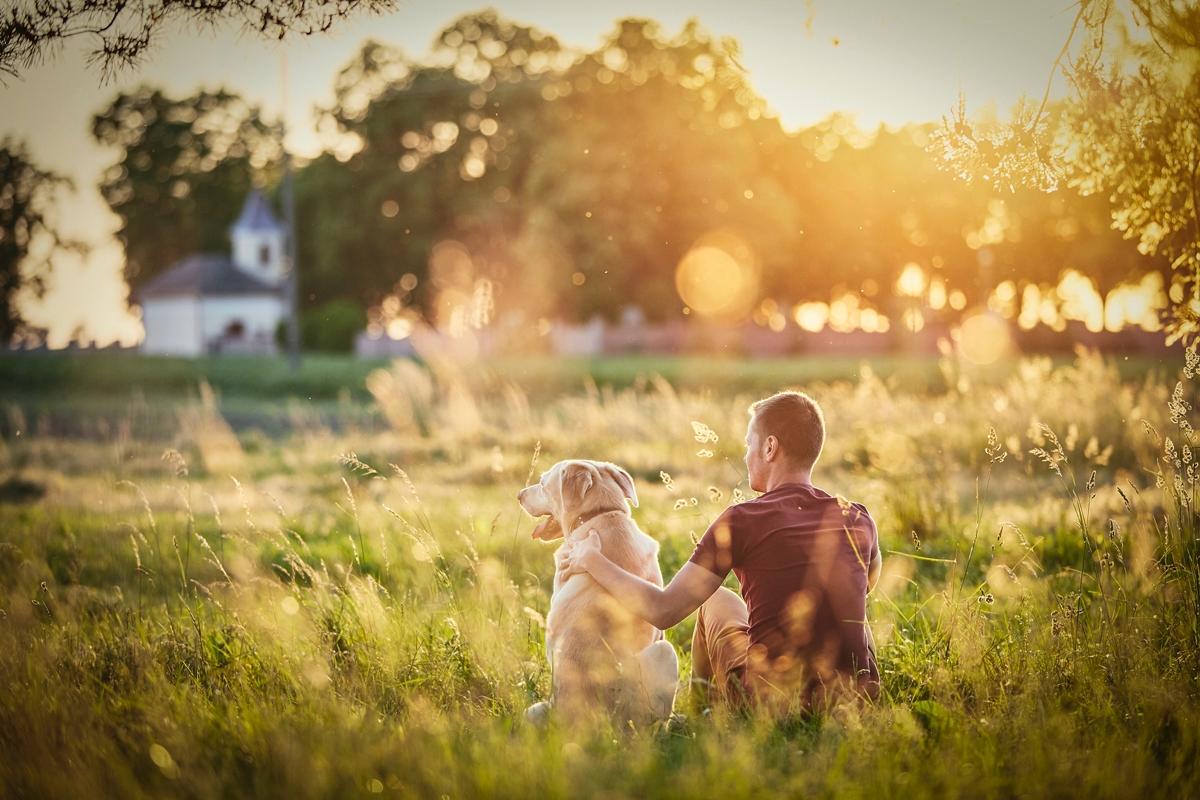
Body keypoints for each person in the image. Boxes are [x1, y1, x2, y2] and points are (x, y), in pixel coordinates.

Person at [560, 390, 882, 712]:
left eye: (749, 444)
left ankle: (700, 715)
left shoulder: (742, 520)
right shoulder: (858, 517)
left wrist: (591, 559)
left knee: (713, 601)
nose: (745, 455)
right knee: (853, 613)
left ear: (770, 447)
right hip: (855, 700)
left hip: (773, 701)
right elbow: (866, 585)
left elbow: (663, 611)